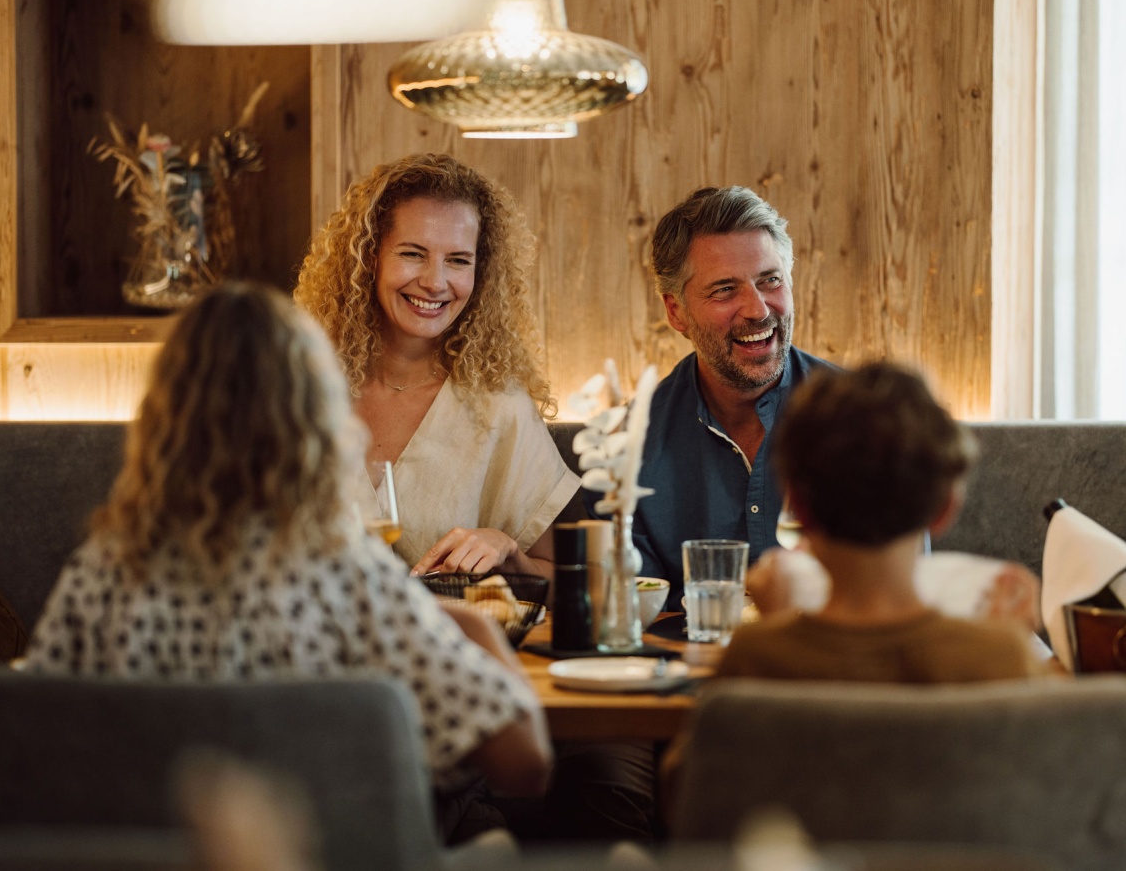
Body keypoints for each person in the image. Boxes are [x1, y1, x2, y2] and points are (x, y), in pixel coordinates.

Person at [24, 284, 552, 840]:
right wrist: (469, 623)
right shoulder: (346, 573)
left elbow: (22, 751)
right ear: (313, 420)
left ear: (165, 416)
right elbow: (525, 762)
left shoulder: (103, 570)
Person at [294, 153, 579, 578]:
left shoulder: (499, 406)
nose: (435, 281)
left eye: (458, 260)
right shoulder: (296, 392)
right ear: (369, 257)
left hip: (447, 642)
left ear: (480, 273)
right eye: (413, 253)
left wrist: (509, 553)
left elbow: (573, 580)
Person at [715, 361, 1047, 682]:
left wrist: (778, 623)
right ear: (945, 509)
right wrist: (1010, 639)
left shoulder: (754, 656)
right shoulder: (998, 656)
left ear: (799, 508)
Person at [623, 185, 834, 609]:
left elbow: (899, 597)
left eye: (770, 280)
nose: (757, 309)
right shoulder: (630, 442)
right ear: (676, 311)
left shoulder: (865, 421)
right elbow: (637, 613)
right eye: (724, 290)